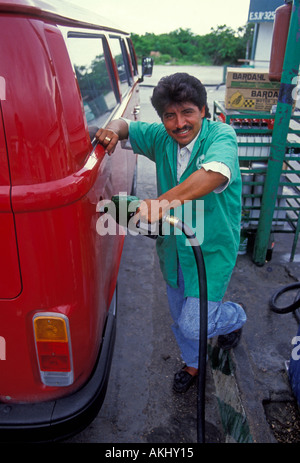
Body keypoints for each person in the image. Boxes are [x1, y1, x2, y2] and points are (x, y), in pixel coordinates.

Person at [95, 73, 247, 393]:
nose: (179, 124)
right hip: (174, 244)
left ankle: (236, 316)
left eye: (187, 112)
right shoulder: (162, 138)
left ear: (203, 110)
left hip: (211, 247)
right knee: (180, 314)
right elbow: (126, 126)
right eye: (170, 115)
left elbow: (214, 173)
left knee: (195, 321)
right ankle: (193, 363)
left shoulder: (221, 135)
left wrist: (161, 203)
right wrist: (112, 129)